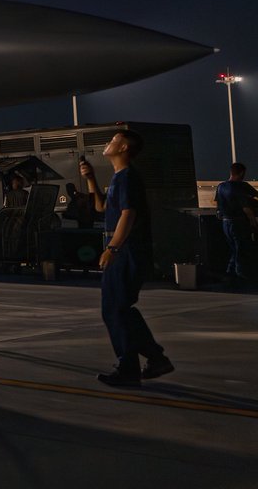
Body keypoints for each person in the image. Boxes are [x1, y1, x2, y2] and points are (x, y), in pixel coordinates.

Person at [80, 131, 173, 387]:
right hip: (125, 249)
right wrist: (90, 179)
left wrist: (112, 248)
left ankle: (130, 368)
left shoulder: (128, 177)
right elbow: (101, 208)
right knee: (120, 309)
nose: (107, 143)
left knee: (115, 310)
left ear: (122, 148)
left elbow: (128, 214)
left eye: (112, 140)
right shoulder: (119, 177)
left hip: (127, 250)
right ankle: (155, 358)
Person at [214, 162, 258, 287]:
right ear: (242, 173)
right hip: (238, 223)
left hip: (225, 223)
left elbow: (217, 205)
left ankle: (230, 275)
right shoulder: (241, 187)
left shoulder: (221, 186)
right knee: (241, 250)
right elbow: (247, 209)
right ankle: (241, 277)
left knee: (234, 249)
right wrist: (254, 224)